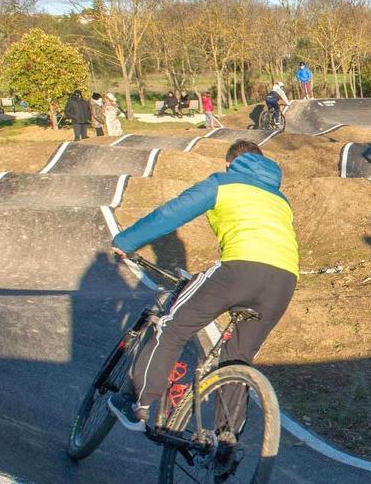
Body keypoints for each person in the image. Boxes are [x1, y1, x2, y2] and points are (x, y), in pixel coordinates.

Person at [108, 140, 299, 433]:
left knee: (173, 328)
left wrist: (126, 242)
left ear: (229, 164)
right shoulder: (280, 199)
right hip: (285, 280)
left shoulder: (223, 183)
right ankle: (226, 439)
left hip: (240, 269)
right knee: (239, 356)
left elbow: (171, 213)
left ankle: (138, 403)